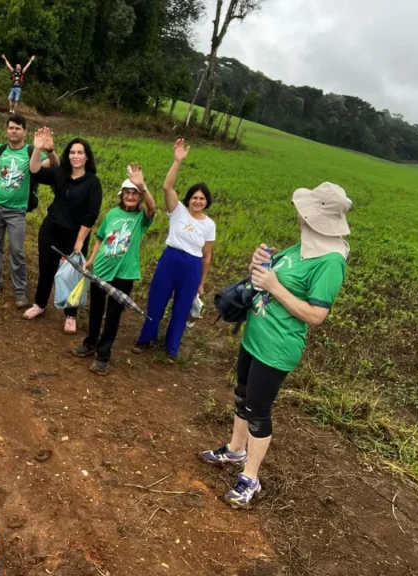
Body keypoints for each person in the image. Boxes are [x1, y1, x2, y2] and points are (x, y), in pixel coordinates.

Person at [198, 182, 353, 510]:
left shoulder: (330, 262)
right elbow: (264, 279)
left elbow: (316, 315)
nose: (300, 217)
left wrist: (274, 286)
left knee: (258, 409)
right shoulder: (301, 248)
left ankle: (250, 477)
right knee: (242, 394)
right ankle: (235, 449)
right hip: (256, 338)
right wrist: (258, 265)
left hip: (278, 348)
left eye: (306, 213)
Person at [132, 138, 215, 360]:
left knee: (181, 307)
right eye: (195, 197)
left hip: (192, 266)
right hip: (170, 259)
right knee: (157, 300)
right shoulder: (177, 210)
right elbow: (166, 187)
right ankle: (145, 339)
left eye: (202, 198)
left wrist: (202, 283)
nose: (198, 201)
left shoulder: (209, 225)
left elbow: (207, 257)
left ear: (207, 202)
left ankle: (171, 348)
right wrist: (177, 161)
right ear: (189, 199)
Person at [72, 163, 156, 375]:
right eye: (127, 193)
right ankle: (90, 342)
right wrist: (90, 259)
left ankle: (103, 354)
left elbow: (152, 207)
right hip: (101, 269)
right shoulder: (111, 214)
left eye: (134, 194)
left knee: (113, 315)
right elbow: (100, 239)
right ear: (121, 195)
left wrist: (142, 186)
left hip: (124, 275)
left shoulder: (141, 219)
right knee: (96, 310)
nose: (130, 196)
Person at [23, 127, 103, 335]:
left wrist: (79, 241)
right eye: (72, 152)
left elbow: (91, 215)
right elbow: (35, 171)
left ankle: (70, 315)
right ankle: (40, 304)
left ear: (87, 157)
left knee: (72, 275)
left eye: (80, 153)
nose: (75, 156)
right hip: (50, 229)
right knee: (46, 268)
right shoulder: (61, 174)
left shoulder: (93, 182)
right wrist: (38, 149)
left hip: (76, 235)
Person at [0, 113, 52, 309]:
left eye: (17, 128)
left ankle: (20, 290)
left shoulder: (31, 151)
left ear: (25, 131)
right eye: (11, 127)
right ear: (6, 130)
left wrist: (47, 150)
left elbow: (51, 164)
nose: (13, 131)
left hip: (17, 211)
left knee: (16, 250)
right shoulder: (0, 149)